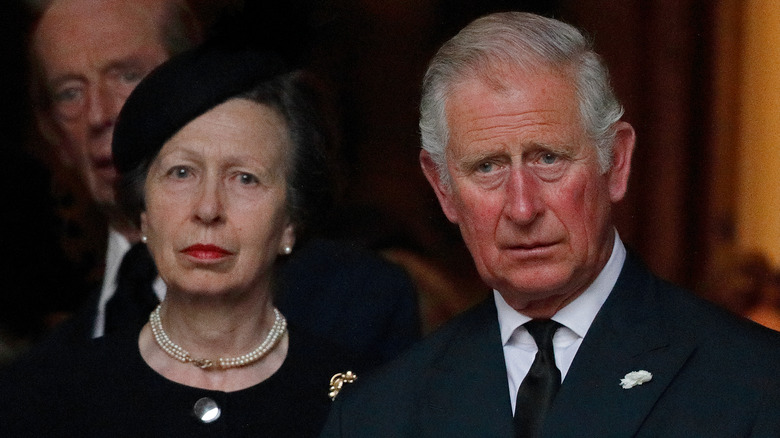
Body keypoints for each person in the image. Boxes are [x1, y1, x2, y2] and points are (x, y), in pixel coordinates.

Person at [320, 11, 780, 437]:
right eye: (487, 167)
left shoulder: (756, 382)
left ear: (616, 162)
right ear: (443, 188)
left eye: (549, 158)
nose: (522, 209)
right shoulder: (376, 416)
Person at [28, 0, 420, 366]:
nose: (99, 114)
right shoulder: (41, 373)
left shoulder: (355, 302)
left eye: (128, 75)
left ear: (201, 81)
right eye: (69, 93)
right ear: (50, 131)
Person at [0, 44, 365, 436]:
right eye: (181, 173)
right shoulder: (42, 395)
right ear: (143, 214)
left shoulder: (359, 402)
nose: (208, 209)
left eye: (245, 178)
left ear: (291, 223)